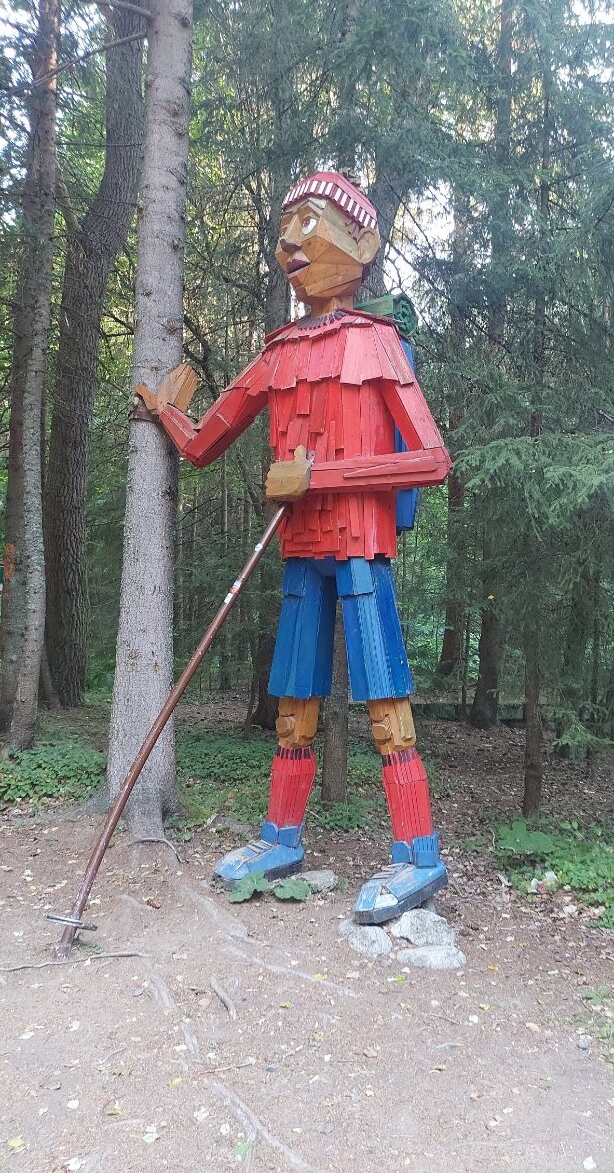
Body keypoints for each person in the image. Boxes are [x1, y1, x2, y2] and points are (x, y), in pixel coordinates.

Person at [135, 171, 451, 923]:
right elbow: (207, 442)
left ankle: (419, 855)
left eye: (308, 223)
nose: (289, 244)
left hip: (362, 546)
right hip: (301, 549)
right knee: (293, 703)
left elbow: (432, 460)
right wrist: (165, 414)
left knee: (386, 704)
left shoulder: (377, 343)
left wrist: (321, 475)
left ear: (362, 243)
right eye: (283, 230)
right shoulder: (279, 352)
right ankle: (280, 838)